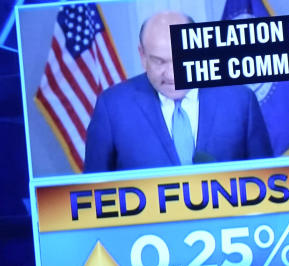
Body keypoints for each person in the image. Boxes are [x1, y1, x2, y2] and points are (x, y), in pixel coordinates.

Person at [83, 11, 272, 172]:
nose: (173, 75)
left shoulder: (240, 101)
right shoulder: (113, 107)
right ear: (142, 56)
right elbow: (92, 193)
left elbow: (268, 180)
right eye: (159, 61)